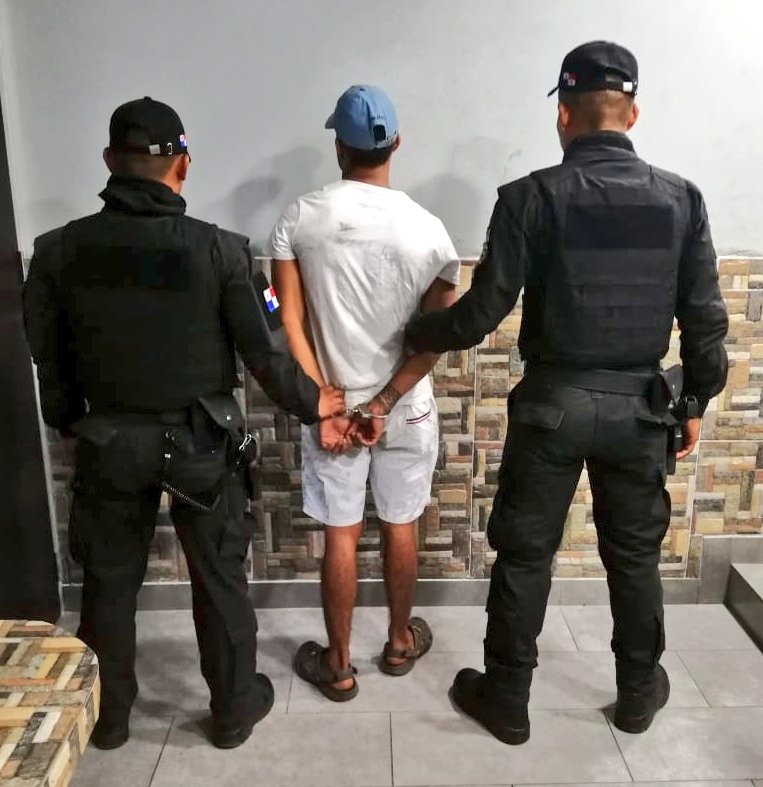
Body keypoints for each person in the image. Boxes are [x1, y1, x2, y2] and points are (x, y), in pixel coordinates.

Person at [406, 42, 729, 744]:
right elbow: (706, 324)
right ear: (632, 114)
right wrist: (695, 403)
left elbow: (479, 314)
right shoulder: (681, 199)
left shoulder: (529, 197)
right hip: (640, 411)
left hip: (551, 407)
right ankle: (637, 695)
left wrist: (413, 329)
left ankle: (507, 698)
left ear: (563, 115)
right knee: (633, 557)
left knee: (525, 555)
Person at [23, 97, 344, 751]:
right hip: (203, 442)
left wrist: (67, 420)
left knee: (108, 585)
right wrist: (317, 404)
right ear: (184, 164)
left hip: (110, 443)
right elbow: (265, 353)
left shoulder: (56, 251)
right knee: (219, 578)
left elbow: (45, 353)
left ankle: (109, 719)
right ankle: (231, 712)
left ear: (110, 161)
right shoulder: (222, 251)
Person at [269, 85, 461, 700]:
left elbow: (287, 318)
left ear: (339, 147)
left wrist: (320, 399)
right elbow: (435, 340)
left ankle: (340, 664)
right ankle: (400, 642)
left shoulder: (299, 219)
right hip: (404, 407)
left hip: (333, 409)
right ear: (395, 143)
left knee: (342, 534)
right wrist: (383, 402)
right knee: (402, 524)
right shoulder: (431, 232)